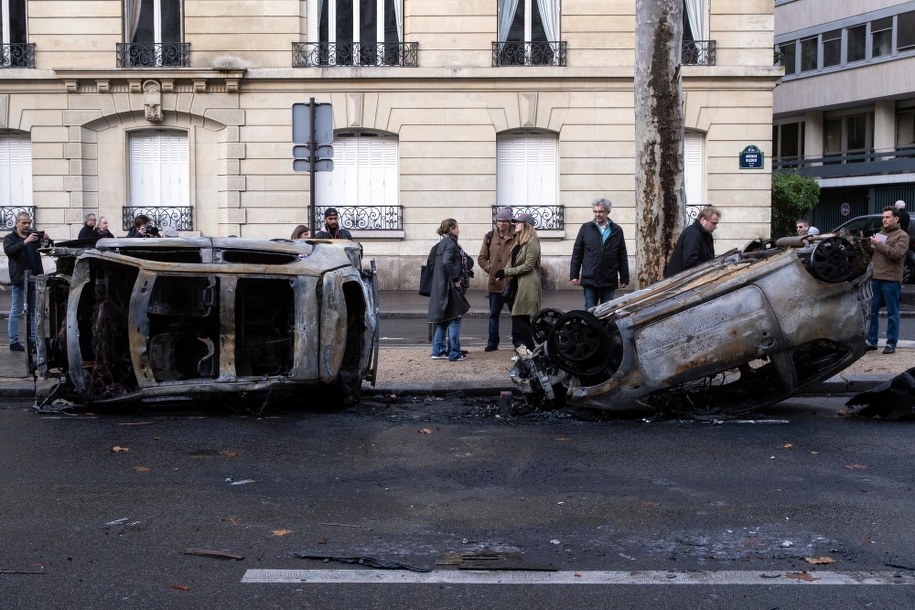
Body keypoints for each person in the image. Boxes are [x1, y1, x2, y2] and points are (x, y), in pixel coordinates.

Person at [865, 206, 910, 355]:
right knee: (873, 312)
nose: (884, 219)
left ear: (896, 219)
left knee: (892, 313)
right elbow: (873, 252)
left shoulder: (902, 236)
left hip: (891, 279)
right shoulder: (880, 234)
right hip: (876, 277)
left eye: (887, 217)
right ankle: (872, 341)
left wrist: (879, 244)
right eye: (883, 217)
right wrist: (868, 242)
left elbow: (896, 254)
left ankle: (891, 344)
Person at [569, 198, 629, 308]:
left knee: (606, 310)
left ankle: (603, 326)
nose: (597, 214)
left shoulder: (617, 230)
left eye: (600, 211)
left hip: (609, 278)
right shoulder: (586, 228)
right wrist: (574, 275)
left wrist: (624, 277)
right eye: (595, 211)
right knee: (590, 309)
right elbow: (577, 253)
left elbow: (622, 255)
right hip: (590, 278)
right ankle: (590, 326)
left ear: (607, 212)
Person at [427, 218, 472, 361]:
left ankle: (437, 351)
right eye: (457, 228)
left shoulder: (442, 244)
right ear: (452, 229)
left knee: (443, 320)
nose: (459, 230)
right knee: (455, 318)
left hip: (441, 286)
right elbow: (446, 262)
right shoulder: (451, 244)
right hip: (450, 287)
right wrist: (456, 279)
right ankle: (454, 353)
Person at [495, 213, 542, 350]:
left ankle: (532, 350)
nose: (515, 224)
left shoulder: (532, 241)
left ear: (526, 225)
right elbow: (512, 261)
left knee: (518, 316)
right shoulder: (519, 241)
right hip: (518, 282)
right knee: (522, 318)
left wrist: (507, 272)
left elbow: (528, 265)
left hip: (527, 284)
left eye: (518, 222)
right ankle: (529, 350)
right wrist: (503, 272)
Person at [4, 212, 49, 351]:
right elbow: (9, 251)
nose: (27, 225)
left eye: (28, 222)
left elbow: (46, 249)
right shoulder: (9, 238)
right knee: (16, 310)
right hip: (19, 279)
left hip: (35, 279)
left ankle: (33, 341)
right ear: (17, 223)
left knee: (33, 311)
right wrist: (25, 242)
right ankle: (14, 341)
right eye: (23, 223)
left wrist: (47, 240)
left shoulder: (33, 237)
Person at [477, 207, 519, 352]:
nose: (501, 224)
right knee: (494, 315)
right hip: (495, 283)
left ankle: (518, 343)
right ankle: (493, 342)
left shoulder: (518, 235)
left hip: (513, 283)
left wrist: (513, 272)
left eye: (504, 221)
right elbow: (482, 258)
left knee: (517, 315)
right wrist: (492, 269)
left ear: (509, 222)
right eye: (499, 221)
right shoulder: (489, 236)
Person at [663, 206, 721, 278]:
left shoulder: (705, 235)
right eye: (713, 223)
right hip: (679, 282)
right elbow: (690, 261)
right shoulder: (693, 234)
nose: (715, 227)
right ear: (703, 219)